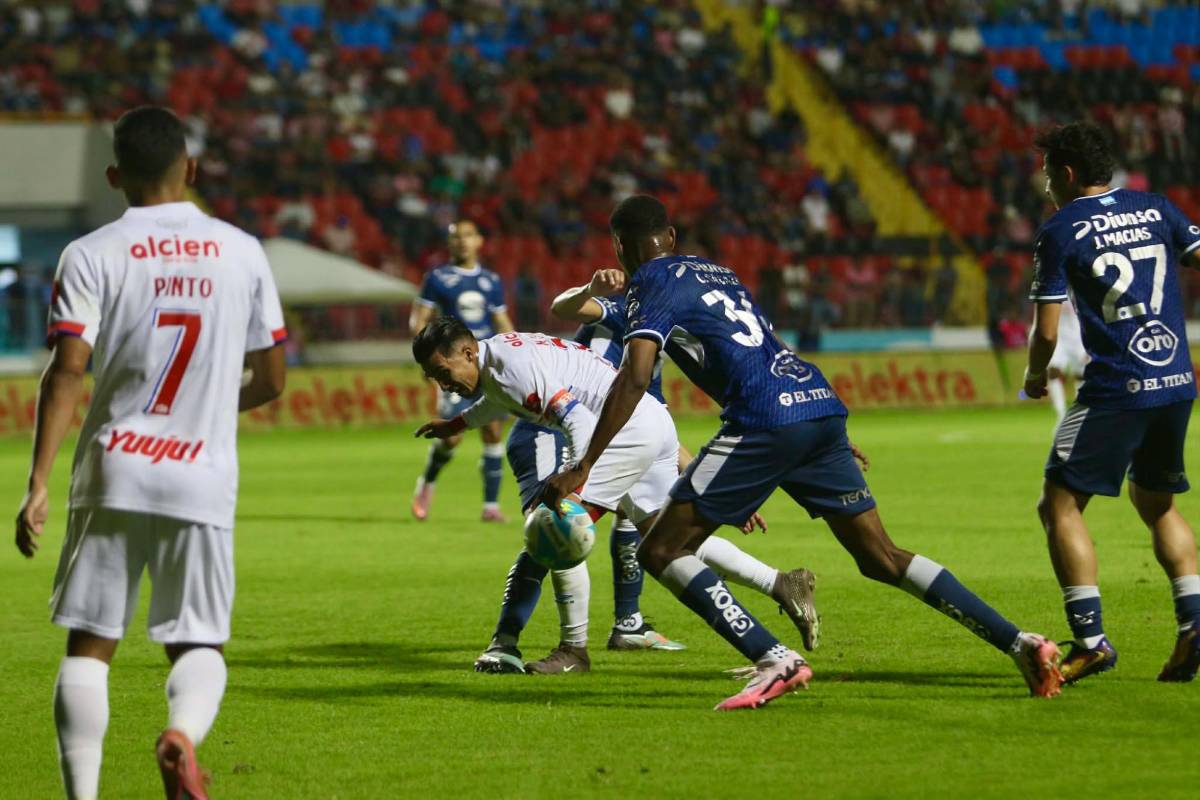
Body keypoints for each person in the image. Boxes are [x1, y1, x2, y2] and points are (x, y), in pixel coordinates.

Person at [545, 195, 1063, 710]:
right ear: (673, 237)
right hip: (814, 403)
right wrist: (819, 430)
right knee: (881, 557)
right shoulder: (717, 272)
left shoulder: (651, 282)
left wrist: (584, 464)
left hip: (763, 418)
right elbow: (764, 344)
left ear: (618, 247)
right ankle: (1021, 643)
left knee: (659, 548)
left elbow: (635, 374)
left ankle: (774, 659)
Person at [14, 106, 287, 799]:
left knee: (89, 643)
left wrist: (38, 481)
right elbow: (273, 378)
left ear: (114, 176)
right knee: (196, 642)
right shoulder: (242, 249)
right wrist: (203, 412)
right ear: (190, 169)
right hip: (199, 475)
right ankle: (182, 735)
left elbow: (69, 369)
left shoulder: (90, 252)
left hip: (112, 468)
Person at [472, 270, 819, 674]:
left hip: (597, 430)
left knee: (563, 525)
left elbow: (647, 422)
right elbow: (564, 307)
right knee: (647, 532)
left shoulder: (654, 351)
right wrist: (591, 289)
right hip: (562, 423)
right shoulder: (628, 315)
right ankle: (774, 585)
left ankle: (569, 648)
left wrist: (710, 489)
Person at [1022, 121, 1200, 684]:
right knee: (1159, 503)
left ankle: (1091, 640)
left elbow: (1048, 332)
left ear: (1069, 173)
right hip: (1174, 379)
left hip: (1116, 387)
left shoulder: (1061, 229)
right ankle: (1194, 622)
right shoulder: (1156, 208)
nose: (1047, 183)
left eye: (1050, 172)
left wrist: (1033, 375)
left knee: (1059, 504)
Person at [408, 220, 514, 522]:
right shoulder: (438, 277)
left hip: (483, 365)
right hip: (454, 367)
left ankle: (490, 507)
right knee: (451, 436)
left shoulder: (491, 280)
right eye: (455, 237)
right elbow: (419, 320)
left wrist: (517, 350)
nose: (461, 242)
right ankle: (426, 482)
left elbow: (502, 322)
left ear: (479, 241)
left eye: (468, 235)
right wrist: (426, 360)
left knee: (493, 431)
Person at [1044, 298, 1088, 422]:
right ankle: (1061, 414)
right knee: (1053, 371)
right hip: (1059, 337)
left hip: (1078, 337)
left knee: (1081, 375)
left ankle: (1079, 413)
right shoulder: (1055, 285)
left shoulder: (1079, 286)